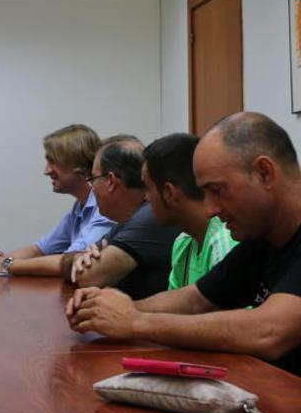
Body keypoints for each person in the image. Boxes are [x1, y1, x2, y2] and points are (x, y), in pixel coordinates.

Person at [66, 112, 301, 376]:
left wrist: (136, 321)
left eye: (218, 190)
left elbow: (269, 332)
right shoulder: (263, 237)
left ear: (264, 173)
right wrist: (106, 308)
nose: (210, 209)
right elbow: (197, 299)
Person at [0, 124, 115, 276]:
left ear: (75, 162)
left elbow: (70, 260)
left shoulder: (106, 208)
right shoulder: (80, 206)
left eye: (52, 161)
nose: (46, 171)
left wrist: (4, 264)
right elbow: (39, 250)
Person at [62, 135, 179, 299]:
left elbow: (87, 276)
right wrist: (78, 257)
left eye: (93, 179)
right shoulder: (127, 219)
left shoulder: (149, 217)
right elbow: (67, 258)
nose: (92, 189)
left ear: (110, 180)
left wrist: (10, 264)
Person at [141, 133, 237, 289]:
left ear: (169, 192)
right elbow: (174, 308)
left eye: (148, 188)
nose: (146, 197)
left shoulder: (224, 244)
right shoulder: (183, 243)